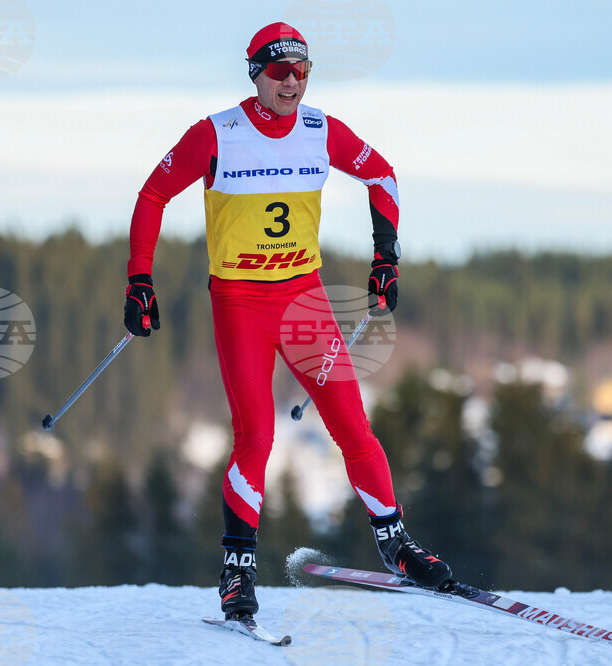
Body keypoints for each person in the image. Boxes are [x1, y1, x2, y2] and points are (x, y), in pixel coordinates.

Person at [123, 22, 451, 620]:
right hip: (242, 302)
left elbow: (381, 173)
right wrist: (139, 280)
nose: (293, 83)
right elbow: (153, 194)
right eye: (280, 72)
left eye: (302, 71)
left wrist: (387, 257)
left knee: (353, 425)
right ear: (256, 74)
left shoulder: (321, 130)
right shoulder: (216, 133)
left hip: (305, 302)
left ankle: (396, 545)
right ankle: (237, 571)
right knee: (257, 436)